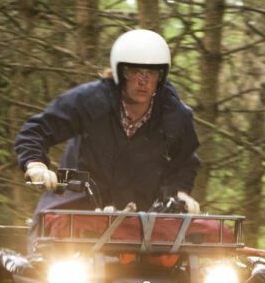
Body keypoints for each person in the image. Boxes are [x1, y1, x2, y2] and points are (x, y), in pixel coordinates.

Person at [14, 29, 201, 219]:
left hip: (140, 217)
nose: (142, 81)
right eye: (134, 71)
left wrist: (180, 192)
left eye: (151, 73)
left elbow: (185, 159)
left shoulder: (174, 114)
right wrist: (36, 164)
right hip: (77, 208)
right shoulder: (90, 101)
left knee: (181, 245)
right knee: (48, 235)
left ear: (161, 76)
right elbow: (36, 130)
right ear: (120, 72)